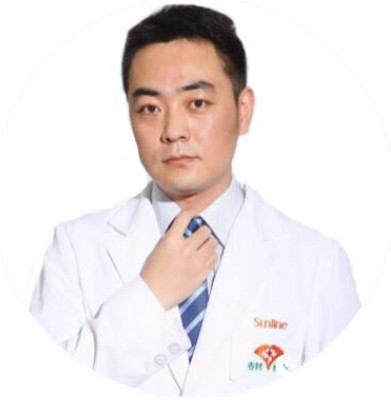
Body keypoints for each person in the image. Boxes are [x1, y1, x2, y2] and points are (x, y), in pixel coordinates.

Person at [30, 4, 360, 396]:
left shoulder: (317, 263)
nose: (173, 130)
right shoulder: (74, 250)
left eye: (197, 103)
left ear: (243, 111)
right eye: (150, 108)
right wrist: (151, 295)